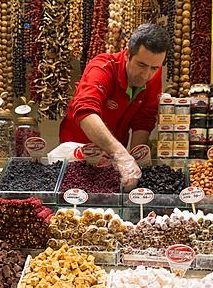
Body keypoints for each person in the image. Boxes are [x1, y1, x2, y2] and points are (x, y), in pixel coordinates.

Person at [59, 23, 171, 188]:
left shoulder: (153, 76)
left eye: (154, 68)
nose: (146, 75)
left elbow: (144, 120)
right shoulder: (103, 66)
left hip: (112, 159)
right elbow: (85, 111)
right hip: (77, 154)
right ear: (127, 55)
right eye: (141, 65)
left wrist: (134, 163)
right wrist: (120, 154)